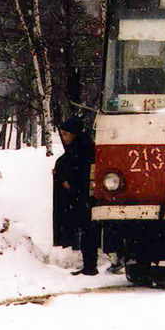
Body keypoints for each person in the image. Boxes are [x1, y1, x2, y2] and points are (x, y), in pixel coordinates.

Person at [53, 115, 99, 275]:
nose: (64, 138)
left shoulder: (81, 149)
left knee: (87, 230)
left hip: (84, 195)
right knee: (86, 230)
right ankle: (89, 265)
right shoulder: (82, 146)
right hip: (82, 194)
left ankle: (90, 266)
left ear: (73, 133)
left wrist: (69, 185)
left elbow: (80, 171)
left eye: (66, 134)